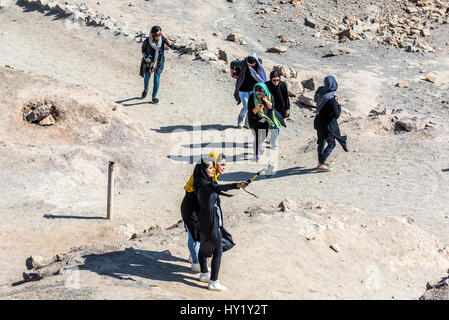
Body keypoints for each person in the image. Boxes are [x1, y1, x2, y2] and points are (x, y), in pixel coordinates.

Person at [193, 157, 248, 291]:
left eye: (213, 167)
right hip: (210, 219)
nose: (213, 170)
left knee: (204, 247)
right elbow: (219, 187)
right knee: (218, 250)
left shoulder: (200, 182)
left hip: (205, 219)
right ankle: (213, 281)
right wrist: (237, 185)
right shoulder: (206, 185)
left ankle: (204, 273)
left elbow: (217, 187)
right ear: (203, 170)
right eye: (210, 168)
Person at [181, 153, 227, 272]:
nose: (224, 168)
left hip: (199, 205)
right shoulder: (202, 176)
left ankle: (194, 256)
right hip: (191, 206)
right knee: (194, 235)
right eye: (222, 165)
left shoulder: (211, 174)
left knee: (198, 234)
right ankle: (196, 262)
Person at [313, 75, 349, 172]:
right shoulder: (331, 99)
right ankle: (321, 164)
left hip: (318, 122)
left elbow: (315, 99)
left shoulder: (320, 92)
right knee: (331, 144)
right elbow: (337, 114)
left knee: (321, 142)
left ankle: (321, 162)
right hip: (327, 125)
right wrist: (338, 104)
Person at [247, 83, 285, 160]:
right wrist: (257, 108)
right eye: (258, 95)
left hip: (265, 120)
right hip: (255, 120)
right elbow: (250, 112)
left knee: (264, 136)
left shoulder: (270, 96)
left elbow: (272, 108)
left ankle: (260, 144)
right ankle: (256, 154)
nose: (260, 96)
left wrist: (266, 101)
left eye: (262, 94)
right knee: (257, 137)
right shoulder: (252, 97)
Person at [230, 53, 267, 128]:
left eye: (252, 65)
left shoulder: (259, 62)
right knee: (246, 107)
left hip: (253, 89)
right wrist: (232, 74)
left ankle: (247, 122)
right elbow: (232, 63)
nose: (250, 66)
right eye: (248, 64)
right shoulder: (243, 62)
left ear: (255, 62)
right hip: (242, 89)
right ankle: (240, 119)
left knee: (251, 107)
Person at [140, 26, 175, 104]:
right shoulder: (147, 41)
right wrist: (146, 57)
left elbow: (172, 46)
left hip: (159, 62)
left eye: (159, 35)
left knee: (156, 79)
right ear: (152, 34)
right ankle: (145, 90)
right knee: (147, 77)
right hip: (149, 62)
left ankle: (154, 97)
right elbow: (143, 50)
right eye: (156, 35)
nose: (158, 36)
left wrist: (164, 35)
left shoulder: (162, 39)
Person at [265, 70, 291, 150]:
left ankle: (273, 142)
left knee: (277, 126)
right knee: (273, 125)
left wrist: (287, 108)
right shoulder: (266, 85)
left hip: (280, 109)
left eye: (278, 80)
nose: (276, 82)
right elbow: (262, 96)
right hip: (270, 109)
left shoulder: (283, 85)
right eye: (274, 80)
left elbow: (286, 97)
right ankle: (273, 142)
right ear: (271, 79)